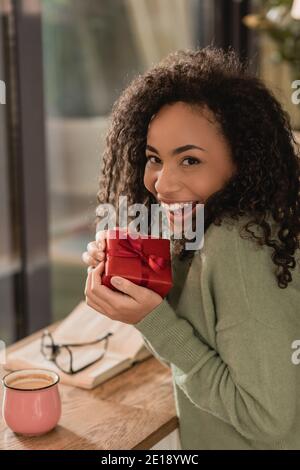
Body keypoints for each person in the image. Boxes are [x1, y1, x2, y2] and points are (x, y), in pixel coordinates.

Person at [82, 47, 300, 449]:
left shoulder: (236, 246)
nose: (162, 184)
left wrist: (152, 319)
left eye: (190, 161)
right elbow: (197, 357)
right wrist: (141, 287)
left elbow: (269, 421)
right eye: (153, 159)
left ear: (242, 160)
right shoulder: (226, 226)